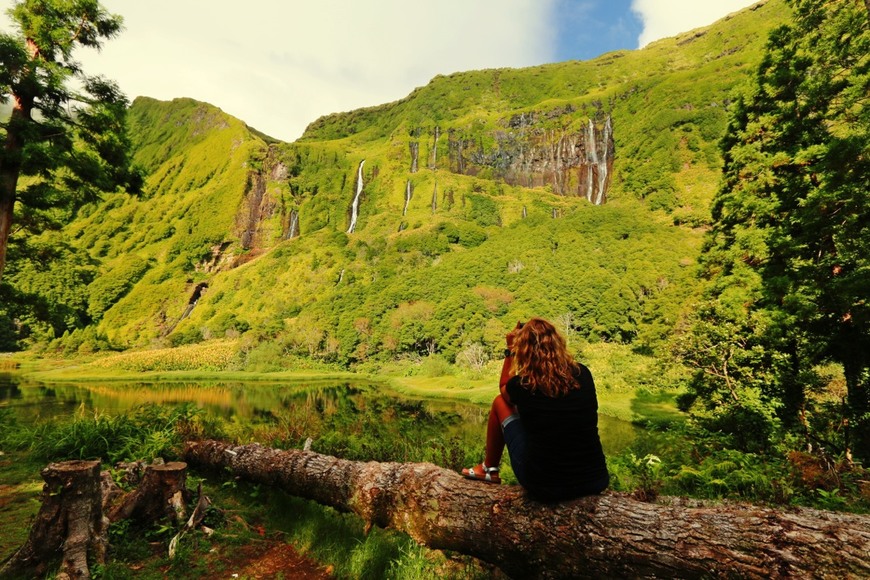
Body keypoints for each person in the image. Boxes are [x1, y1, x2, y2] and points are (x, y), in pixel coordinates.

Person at [461, 318, 609, 501]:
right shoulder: (583, 373)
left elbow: (504, 387)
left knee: (500, 402)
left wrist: (510, 350)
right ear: (558, 343)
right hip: (595, 480)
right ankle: (488, 469)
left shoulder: (524, 385)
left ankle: (489, 469)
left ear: (524, 350)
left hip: (545, 486)